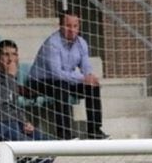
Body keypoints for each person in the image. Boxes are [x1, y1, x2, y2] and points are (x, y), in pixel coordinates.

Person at [27, 11, 106, 141]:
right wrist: (82, 78)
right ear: (60, 25)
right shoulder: (52, 43)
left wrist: (90, 77)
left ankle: (95, 131)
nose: (72, 30)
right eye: (68, 26)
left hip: (64, 80)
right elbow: (56, 74)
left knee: (92, 87)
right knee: (61, 86)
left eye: (75, 26)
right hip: (39, 81)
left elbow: (86, 67)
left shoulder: (81, 43)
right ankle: (64, 135)